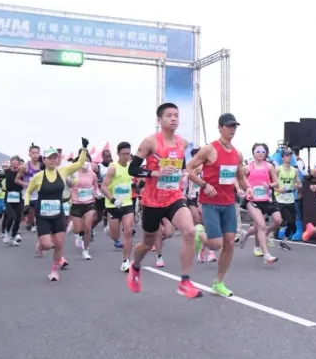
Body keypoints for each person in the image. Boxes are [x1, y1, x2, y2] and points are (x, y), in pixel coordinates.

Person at [126, 103, 202, 299]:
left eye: (176, 115)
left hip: (173, 197)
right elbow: (132, 169)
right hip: (152, 201)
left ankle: (185, 281)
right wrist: (155, 172)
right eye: (169, 115)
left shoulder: (182, 143)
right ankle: (135, 267)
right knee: (146, 242)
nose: (174, 118)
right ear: (159, 120)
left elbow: (181, 166)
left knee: (190, 230)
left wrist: (184, 175)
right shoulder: (150, 142)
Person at [187, 113, 252, 297]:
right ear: (220, 127)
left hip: (228, 203)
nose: (232, 129)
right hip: (210, 203)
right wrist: (204, 185)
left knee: (230, 243)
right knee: (216, 245)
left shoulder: (236, 153)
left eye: (234, 126)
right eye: (229, 125)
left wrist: (249, 188)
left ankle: (218, 283)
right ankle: (199, 232)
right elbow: (189, 169)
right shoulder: (209, 149)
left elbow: (240, 177)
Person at [23, 143, 89, 281]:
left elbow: (80, 163)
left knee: (59, 244)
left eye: (55, 158)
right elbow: (28, 191)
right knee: (47, 245)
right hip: (43, 215)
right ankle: (41, 244)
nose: (53, 160)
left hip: (58, 214)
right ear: (44, 160)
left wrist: (83, 148)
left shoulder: (63, 171)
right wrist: (26, 205)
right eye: (50, 158)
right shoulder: (38, 177)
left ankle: (54, 271)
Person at [235, 143, 280, 264]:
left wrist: (270, 185)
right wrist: (239, 189)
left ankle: (247, 235)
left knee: (277, 220)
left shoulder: (269, 167)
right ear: (253, 153)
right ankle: (266, 254)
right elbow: (237, 177)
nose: (260, 153)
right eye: (258, 151)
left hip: (266, 199)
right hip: (252, 200)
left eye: (263, 152)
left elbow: (277, 183)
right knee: (260, 225)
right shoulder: (247, 167)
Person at [100, 142, 137, 271]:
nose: (127, 156)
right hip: (113, 205)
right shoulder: (113, 168)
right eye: (124, 154)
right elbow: (103, 187)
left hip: (127, 204)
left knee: (128, 230)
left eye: (128, 154)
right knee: (115, 236)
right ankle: (109, 230)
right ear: (118, 154)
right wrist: (113, 199)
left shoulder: (131, 167)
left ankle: (126, 260)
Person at [67, 152, 100, 261]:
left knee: (88, 228)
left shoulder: (92, 174)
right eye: (83, 160)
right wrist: (68, 180)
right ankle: (74, 228)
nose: (85, 163)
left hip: (89, 204)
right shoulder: (74, 173)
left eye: (87, 160)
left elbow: (95, 186)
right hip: (76, 204)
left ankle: (86, 250)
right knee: (77, 230)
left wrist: (98, 193)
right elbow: (69, 185)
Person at [273, 147, 300, 242]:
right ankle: (275, 228)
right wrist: (279, 189)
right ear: (282, 157)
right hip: (280, 199)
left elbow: (298, 183)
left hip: (290, 199)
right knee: (289, 221)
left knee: (292, 225)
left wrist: (296, 185)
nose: (289, 157)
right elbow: (272, 184)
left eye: (290, 155)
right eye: (287, 155)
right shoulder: (278, 170)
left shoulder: (295, 170)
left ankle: (284, 241)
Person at [15, 145, 42, 232]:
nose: (35, 155)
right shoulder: (25, 166)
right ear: (29, 154)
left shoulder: (42, 166)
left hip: (38, 193)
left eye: (37, 153)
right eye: (33, 153)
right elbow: (16, 179)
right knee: (28, 212)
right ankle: (28, 223)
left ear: (39, 154)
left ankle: (33, 224)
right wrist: (25, 184)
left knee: (37, 212)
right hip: (27, 194)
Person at [0, 156, 24, 246]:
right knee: (11, 216)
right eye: (12, 161)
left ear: (19, 163)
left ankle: (13, 236)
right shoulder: (6, 172)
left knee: (18, 218)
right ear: (11, 163)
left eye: (16, 162)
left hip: (18, 196)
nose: (14, 163)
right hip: (9, 196)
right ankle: (6, 233)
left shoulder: (21, 172)